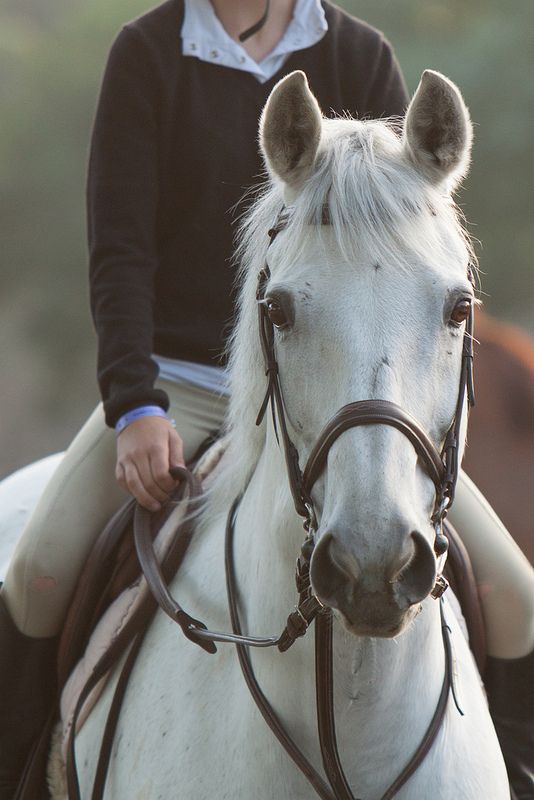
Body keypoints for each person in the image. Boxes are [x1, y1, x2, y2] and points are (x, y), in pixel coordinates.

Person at [0, 1, 532, 797]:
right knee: (38, 575)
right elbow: (119, 250)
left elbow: (401, 260)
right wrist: (135, 405)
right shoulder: (147, 53)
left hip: (336, 398)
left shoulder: (359, 52)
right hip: (181, 387)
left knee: (516, 596)